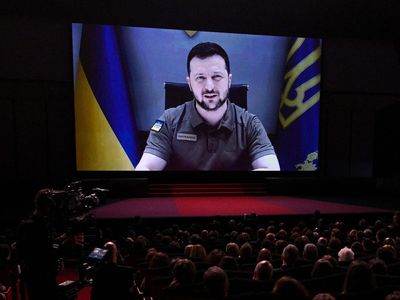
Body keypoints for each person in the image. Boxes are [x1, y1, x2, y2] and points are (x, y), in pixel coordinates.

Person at [136, 42, 280, 171]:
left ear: (229, 80)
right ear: (190, 83)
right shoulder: (167, 121)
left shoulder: (251, 124)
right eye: (200, 78)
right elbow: (146, 168)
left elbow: (271, 169)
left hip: (232, 200)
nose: (209, 87)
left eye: (217, 76)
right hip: (183, 199)